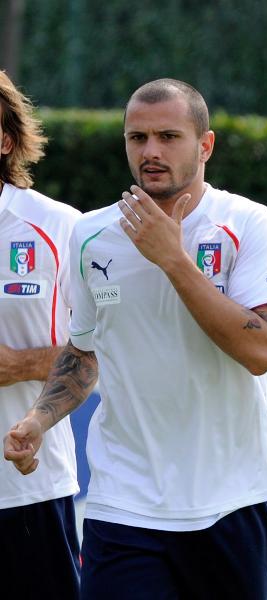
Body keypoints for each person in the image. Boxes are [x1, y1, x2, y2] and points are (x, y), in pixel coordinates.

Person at [4, 78, 267, 599]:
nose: (151, 151)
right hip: (125, 503)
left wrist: (173, 259)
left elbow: (260, 350)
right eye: (137, 138)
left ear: (205, 146)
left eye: (168, 136)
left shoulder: (249, 224)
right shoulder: (91, 235)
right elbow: (85, 349)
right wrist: (39, 418)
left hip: (233, 499)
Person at [0, 70, 82, 599]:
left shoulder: (58, 228)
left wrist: (21, 364)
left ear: (5, 140)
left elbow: (114, 347)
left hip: (24, 489)